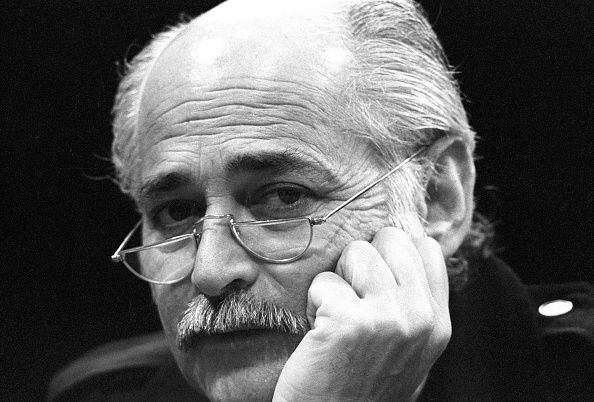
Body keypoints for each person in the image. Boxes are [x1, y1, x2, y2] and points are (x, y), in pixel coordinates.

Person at [48, 0, 593, 400]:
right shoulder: (97, 393)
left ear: (435, 197)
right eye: (177, 212)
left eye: (283, 197)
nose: (211, 271)